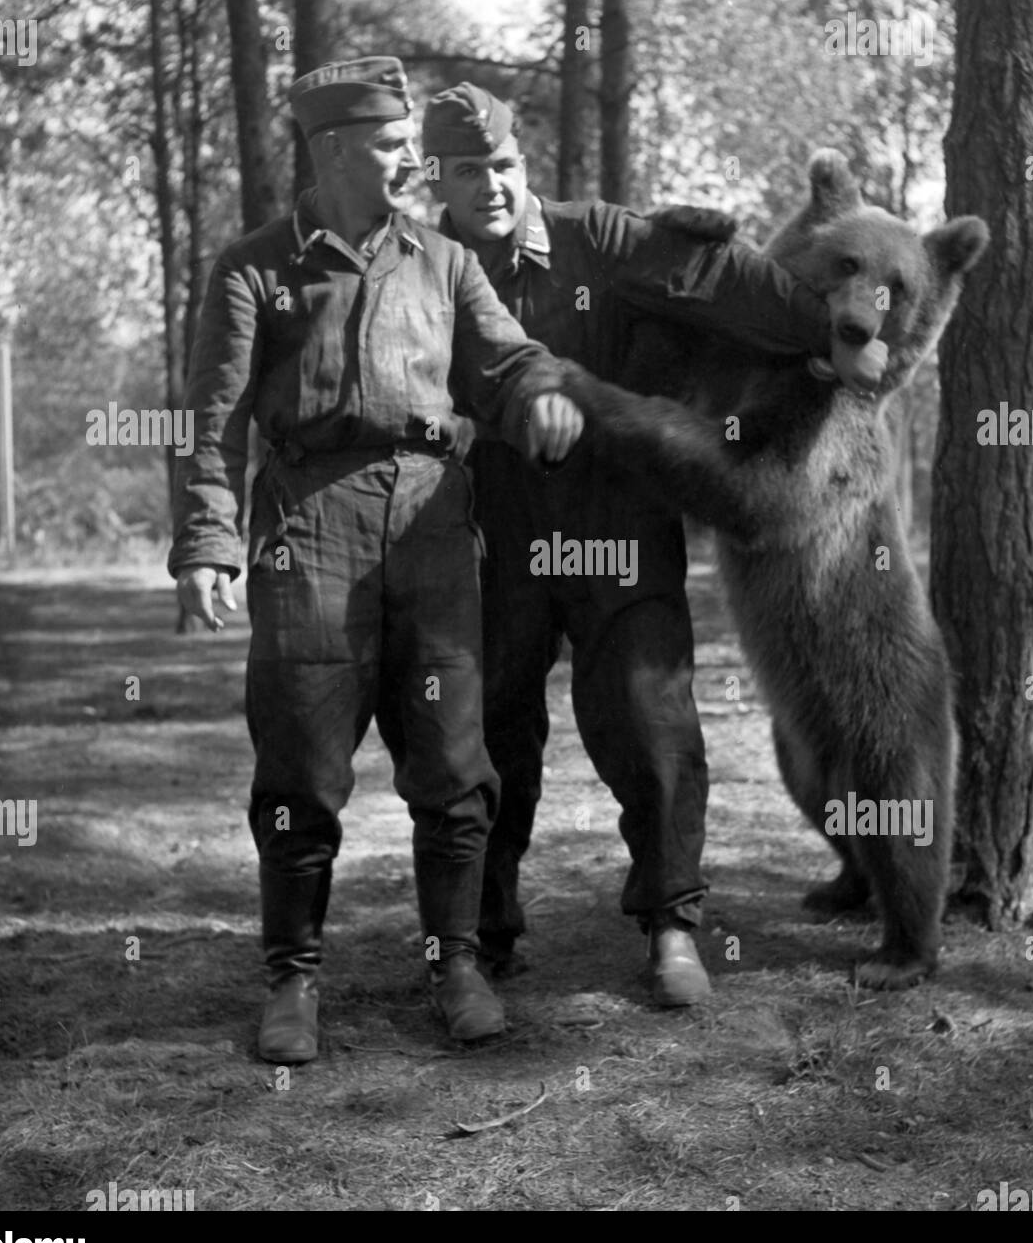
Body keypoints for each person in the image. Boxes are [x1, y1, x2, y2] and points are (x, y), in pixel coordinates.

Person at [423, 83, 887, 1007]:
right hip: (493, 531)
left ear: (528, 166)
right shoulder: (419, 266)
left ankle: (673, 925)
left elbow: (725, 283)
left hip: (618, 521)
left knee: (652, 720)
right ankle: (485, 935)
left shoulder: (600, 237)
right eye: (469, 171)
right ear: (436, 178)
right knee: (489, 734)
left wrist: (830, 336)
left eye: (505, 165)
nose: (492, 185)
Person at [169, 57, 584, 1064]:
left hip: (435, 528)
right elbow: (213, 419)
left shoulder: (445, 263)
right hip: (311, 529)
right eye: (394, 144)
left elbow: (509, 353)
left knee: (452, 767)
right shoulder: (255, 267)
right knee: (302, 767)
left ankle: (458, 963)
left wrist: (540, 393)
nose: (411, 160)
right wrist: (209, 541)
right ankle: (292, 981)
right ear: (333, 151)